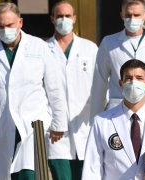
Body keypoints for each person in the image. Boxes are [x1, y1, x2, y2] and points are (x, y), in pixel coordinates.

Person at [0, 2, 67, 180]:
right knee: (1, 175)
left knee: (31, 174)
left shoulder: (39, 47)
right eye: (0, 26)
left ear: (20, 22)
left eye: (10, 25)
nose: (5, 30)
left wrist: (58, 123)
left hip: (32, 124)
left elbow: (55, 88)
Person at [82, 59, 145, 179]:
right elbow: (91, 170)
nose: (133, 83)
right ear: (121, 84)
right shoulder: (102, 122)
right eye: (128, 78)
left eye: (139, 78)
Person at [89, 0, 145, 123]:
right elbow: (99, 83)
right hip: (117, 111)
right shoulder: (109, 43)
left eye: (137, 15)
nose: (132, 19)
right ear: (121, 15)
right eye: (128, 15)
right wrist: (95, 118)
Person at [46, 1, 98, 180]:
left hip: (85, 125)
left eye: (67, 16)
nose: (63, 20)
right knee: (62, 176)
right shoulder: (44, 49)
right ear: (52, 19)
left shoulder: (90, 49)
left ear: (74, 18)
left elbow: (100, 86)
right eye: (59, 16)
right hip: (55, 130)